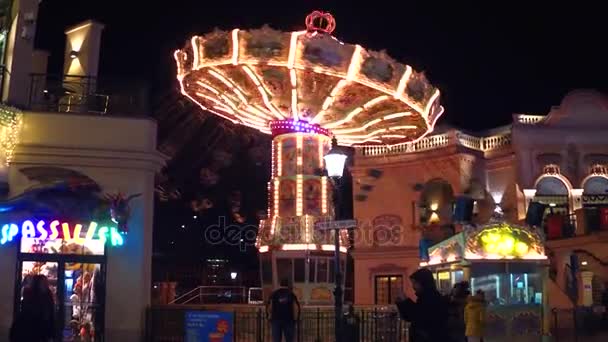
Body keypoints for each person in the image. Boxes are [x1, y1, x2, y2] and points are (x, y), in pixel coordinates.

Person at [395, 268, 450, 342]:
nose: (413, 286)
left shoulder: (430, 298)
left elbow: (417, 315)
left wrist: (405, 302)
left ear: (423, 282)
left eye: (415, 283)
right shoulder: (426, 297)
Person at [10, 274, 56, 342]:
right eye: (43, 283)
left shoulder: (46, 295)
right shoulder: (32, 294)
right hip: (32, 327)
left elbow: (50, 314)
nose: (45, 285)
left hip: (39, 327)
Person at [267, 278, 300, 342]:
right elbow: (296, 307)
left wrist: (269, 317)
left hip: (276, 320)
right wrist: (296, 319)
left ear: (280, 284)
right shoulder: (291, 294)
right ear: (287, 285)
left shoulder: (274, 294)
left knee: (276, 339)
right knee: (289, 339)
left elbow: (269, 307)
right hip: (289, 320)